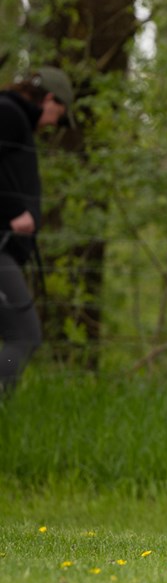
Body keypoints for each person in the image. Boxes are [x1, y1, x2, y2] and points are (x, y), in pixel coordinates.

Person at [0, 66, 74, 395]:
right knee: (24, 335)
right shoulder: (8, 113)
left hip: (7, 249)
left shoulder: (12, 117)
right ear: (48, 99)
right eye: (60, 112)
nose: (57, 122)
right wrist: (13, 212)